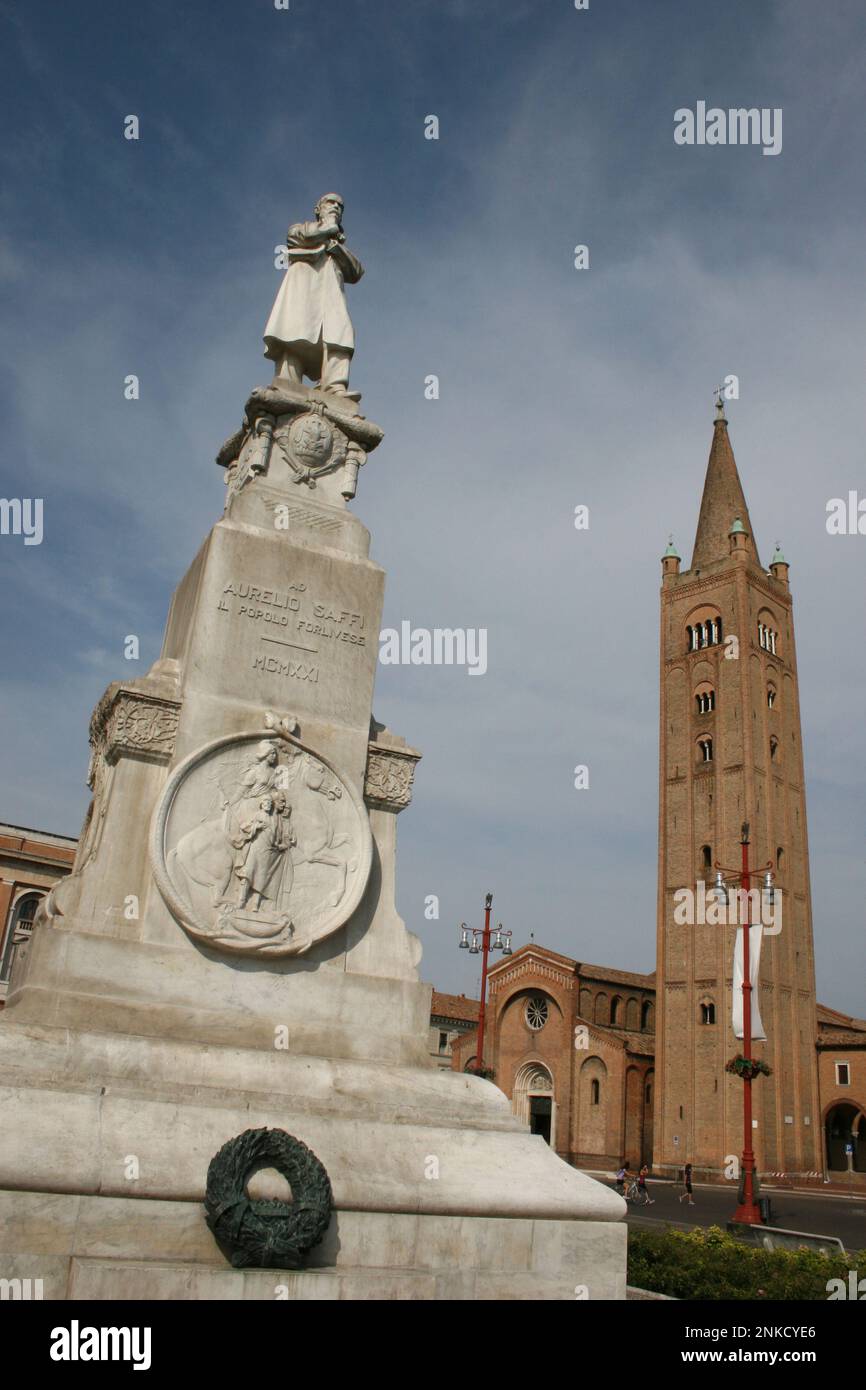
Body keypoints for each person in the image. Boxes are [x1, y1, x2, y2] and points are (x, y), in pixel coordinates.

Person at [264, 193, 364, 397]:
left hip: (331, 295)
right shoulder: (301, 228)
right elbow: (297, 237)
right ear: (318, 209)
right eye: (330, 202)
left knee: (340, 332)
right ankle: (288, 381)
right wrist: (329, 229)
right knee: (293, 331)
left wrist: (335, 247)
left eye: (340, 205)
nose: (336, 206)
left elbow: (356, 271)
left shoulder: (339, 246)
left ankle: (334, 386)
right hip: (303, 290)